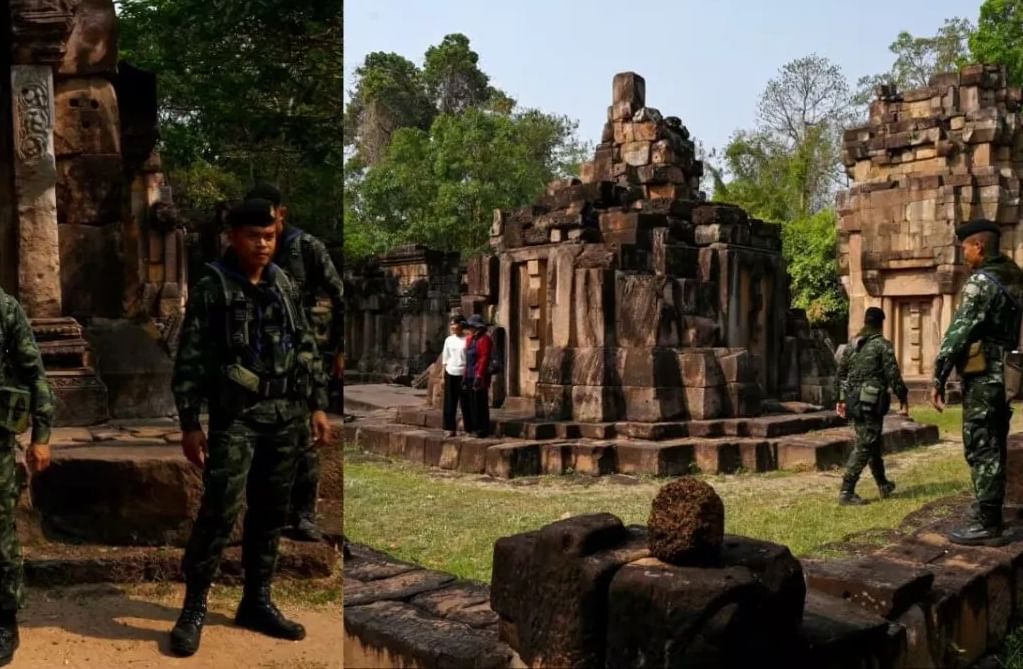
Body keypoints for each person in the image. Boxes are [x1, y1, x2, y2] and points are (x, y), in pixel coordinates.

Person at [170, 198, 331, 657]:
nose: (263, 245)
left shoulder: (282, 282)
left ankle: (256, 600)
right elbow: (192, 358)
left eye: (269, 236)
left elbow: (305, 345)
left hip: (284, 414)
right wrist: (189, 422)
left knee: (271, 512)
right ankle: (195, 605)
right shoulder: (213, 285)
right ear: (233, 237)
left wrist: (318, 405)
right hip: (236, 416)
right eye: (253, 236)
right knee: (220, 510)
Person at [246, 184, 343, 543]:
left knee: (304, 436)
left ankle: (303, 514)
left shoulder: (307, 248)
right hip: (259, 355)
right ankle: (271, 511)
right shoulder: (243, 251)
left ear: (281, 214)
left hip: (302, 353)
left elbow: (338, 293)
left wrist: (338, 347)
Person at [932, 218, 1023, 545]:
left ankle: (988, 524)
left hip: (984, 376)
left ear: (979, 247)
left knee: (981, 444)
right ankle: (988, 509)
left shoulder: (979, 283)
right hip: (1006, 374)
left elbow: (958, 333)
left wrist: (938, 375)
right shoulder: (1014, 278)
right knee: (995, 439)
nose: (963, 254)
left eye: (965, 248)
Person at [0, 290, 54, 666]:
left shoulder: (4, 309)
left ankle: (4, 621)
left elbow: (35, 373)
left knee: (0, 535)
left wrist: (41, 436)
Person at [834, 307, 909, 505]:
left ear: (865, 321)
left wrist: (841, 400)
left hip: (853, 401)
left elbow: (841, 375)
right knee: (865, 444)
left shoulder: (851, 345)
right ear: (881, 323)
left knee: (872, 442)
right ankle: (847, 490)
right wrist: (903, 396)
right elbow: (893, 374)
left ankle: (883, 484)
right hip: (870, 401)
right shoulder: (882, 345)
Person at [464, 315, 493, 438]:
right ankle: (473, 427)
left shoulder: (485, 340)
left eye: (472, 326)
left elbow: (484, 358)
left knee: (480, 402)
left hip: (479, 375)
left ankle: (482, 428)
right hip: (470, 373)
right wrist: (465, 376)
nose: (470, 329)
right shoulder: (470, 339)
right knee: (471, 402)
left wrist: (479, 375)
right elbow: (467, 359)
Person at [441, 316, 470, 437]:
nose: (452, 327)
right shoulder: (449, 340)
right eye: (451, 324)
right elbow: (445, 359)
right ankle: (449, 427)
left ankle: (468, 427)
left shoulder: (468, 339)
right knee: (449, 401)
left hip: (464, 372)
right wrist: (443, 376)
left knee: (466, 401)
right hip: (450, 371)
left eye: (455, 324)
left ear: (461, 325)